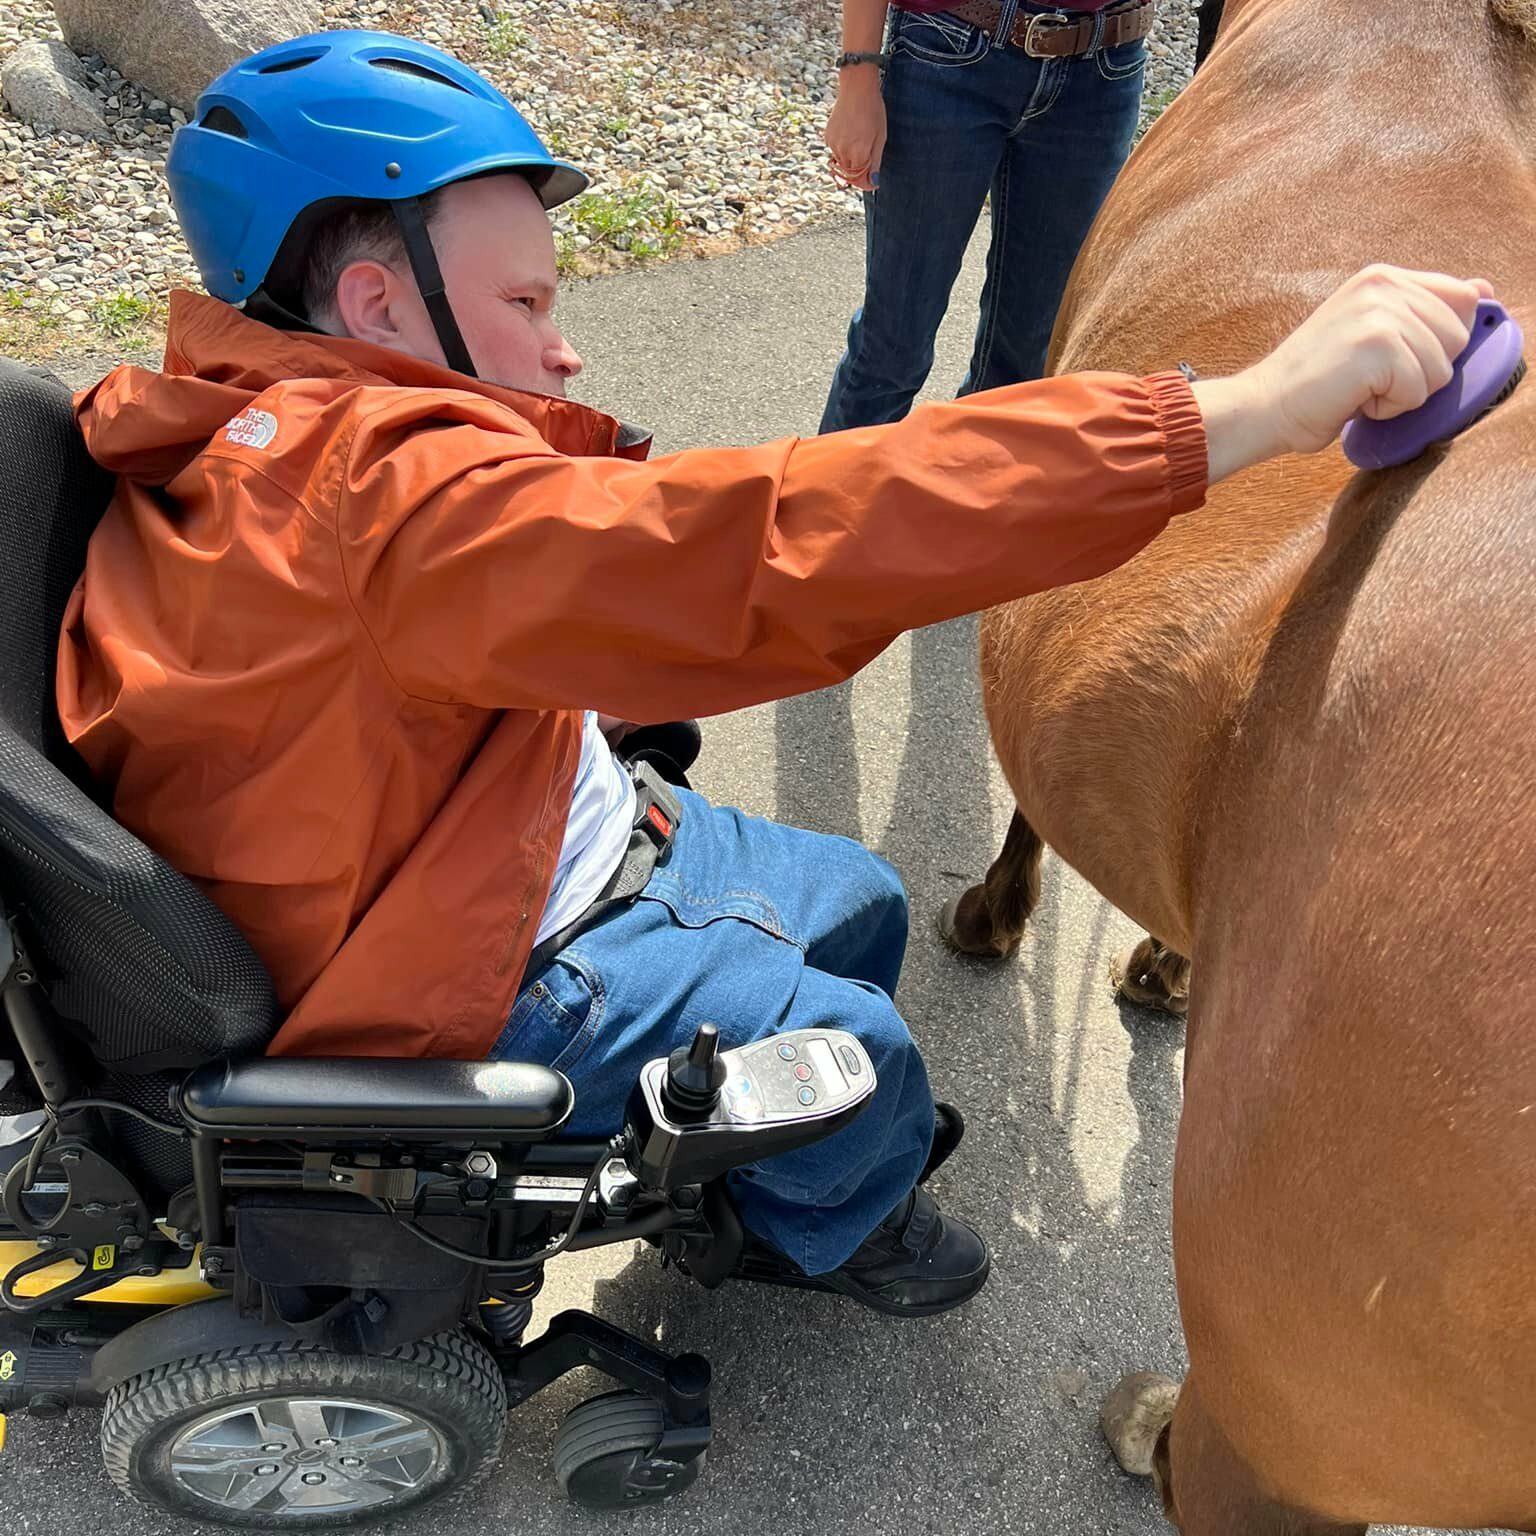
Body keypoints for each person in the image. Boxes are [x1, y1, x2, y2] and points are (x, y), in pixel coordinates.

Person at [57, 30, 1490, 1318]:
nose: (564, 344)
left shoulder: (255, 423)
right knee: (858, 1051)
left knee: (857, 902)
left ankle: (749, 1155)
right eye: (527, 299)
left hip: (465, 825)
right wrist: (1237, 412)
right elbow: (782, 535)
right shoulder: (409, 515)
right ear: (377, 302)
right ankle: (827, 1225)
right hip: (467, 957)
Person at [821, 0, 1155, 433]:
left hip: (1103, 70)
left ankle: (963, 495)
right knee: (892, 350)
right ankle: (830, 501)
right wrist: (858, 75)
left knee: (1022, 369)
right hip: (948, 51)